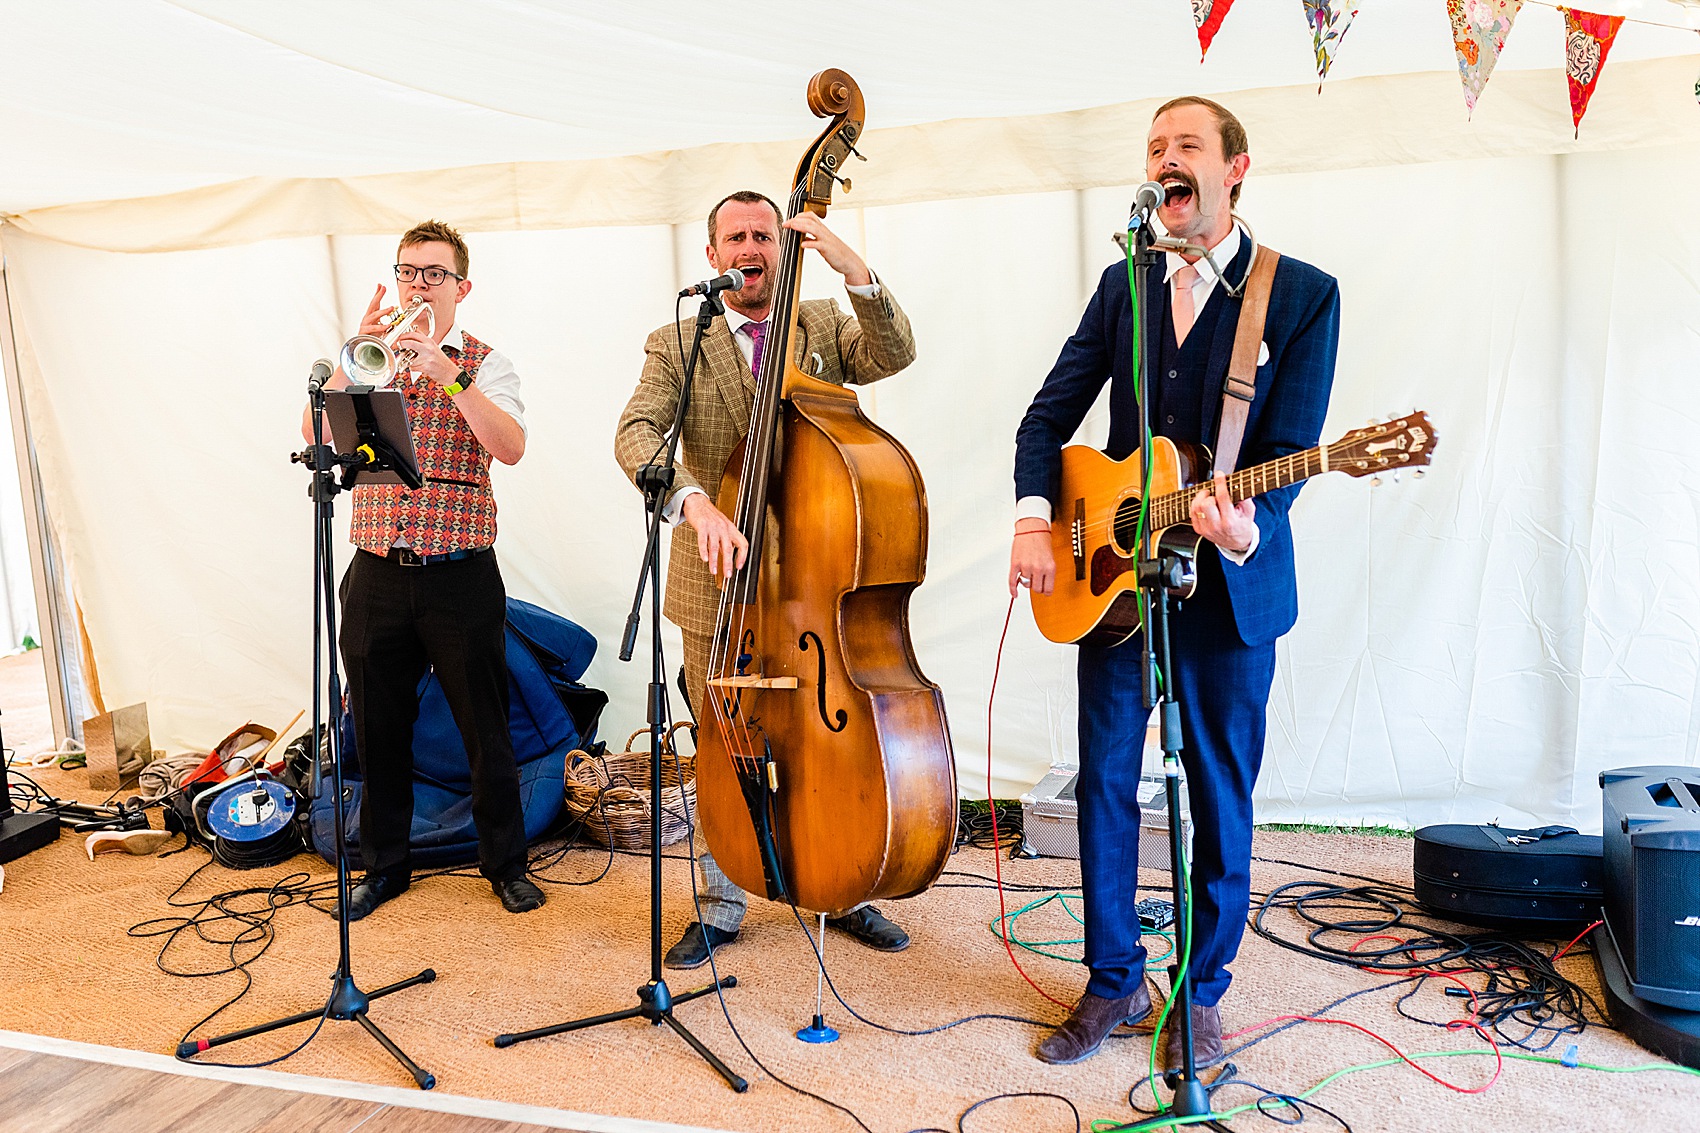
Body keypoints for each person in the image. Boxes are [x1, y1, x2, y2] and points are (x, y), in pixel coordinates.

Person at [1012, 98, 1340, 1067]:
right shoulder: (1123, 285)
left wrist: (1244, 526)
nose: (1165, 161)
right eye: (1154, 148)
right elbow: (1045, 417)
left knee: (1215, 788)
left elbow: (1286, 452)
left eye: (1184, 145)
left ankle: (1198, 990)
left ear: (1234, 169)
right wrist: (1037, 520)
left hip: (1229, 588)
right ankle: (1111, 976)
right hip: (1111, 578)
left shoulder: (1301, 295)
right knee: (1104, 781)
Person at [614, 191, 918, 969]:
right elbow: (637, 433)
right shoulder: (678, 339)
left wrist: (853, 267)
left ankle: (841, 887)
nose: (751, 247)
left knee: (826, 740)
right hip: (716, 588)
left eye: (765, 236)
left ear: (786, 252)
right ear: (713, 255)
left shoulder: (818, 324)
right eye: (735, 237)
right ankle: (720, 904)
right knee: (725, 740)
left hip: (818, 578)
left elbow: (895, 352)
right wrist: (691, 503)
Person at [303, 219, 546, 920]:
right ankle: (385, 866)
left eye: (433, 274)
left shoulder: (486, 362)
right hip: (378, 569)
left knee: (484, 725)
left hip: (460, 573)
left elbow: (511, 448)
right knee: (376, 725)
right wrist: (354, 358)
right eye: (409, 271)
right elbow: (316, 436)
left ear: (461, 287)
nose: (417, 285)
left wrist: (450, 374)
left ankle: (506, 864)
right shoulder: (370, 361)